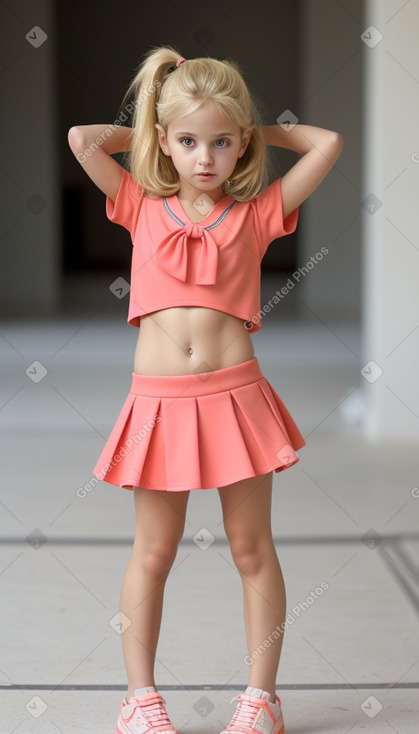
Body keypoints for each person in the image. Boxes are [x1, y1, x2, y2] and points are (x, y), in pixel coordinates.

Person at [68, 45, 343, 734]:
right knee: (152, 553)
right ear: (164, 142)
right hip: (158, 404)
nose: (206, 157)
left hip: (235, 398)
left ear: (240, 143)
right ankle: (140, 699)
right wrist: (161, 129)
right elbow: (81, 140)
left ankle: (261, 700)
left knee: (252, 549)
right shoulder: (139, 200)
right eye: (188, 141)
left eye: (222, 142)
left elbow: (327, 143)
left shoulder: (258, 212)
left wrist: (254, 128)